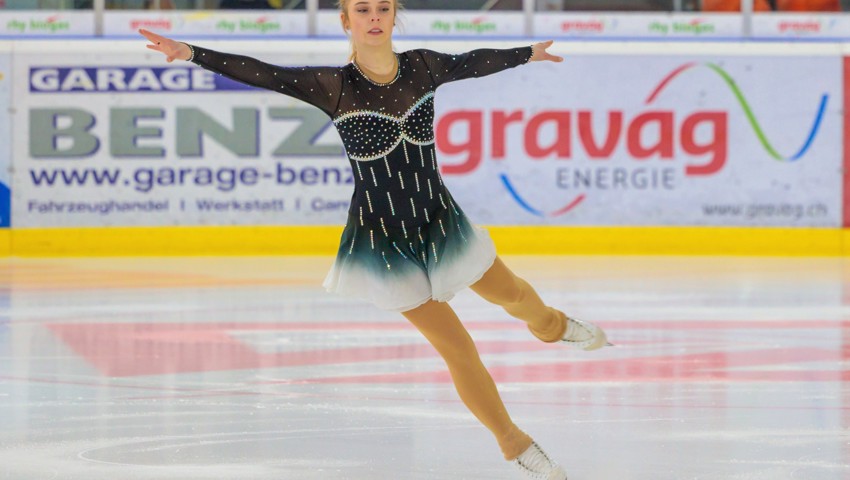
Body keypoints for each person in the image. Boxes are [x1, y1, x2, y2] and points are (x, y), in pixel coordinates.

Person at [140, 0, 610, 477]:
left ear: (393, 16)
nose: (373, 17)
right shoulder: (333, 86)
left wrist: (526, 52)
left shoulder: (423, 67)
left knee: (514, 295)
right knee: (458, 348)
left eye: (382, 8)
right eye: (361, 9)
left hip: (441, 222)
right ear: (346, 20)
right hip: (383, 244)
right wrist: (191, 52)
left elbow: (473, 63)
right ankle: (513, 443)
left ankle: (551, 327)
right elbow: (264, 73)